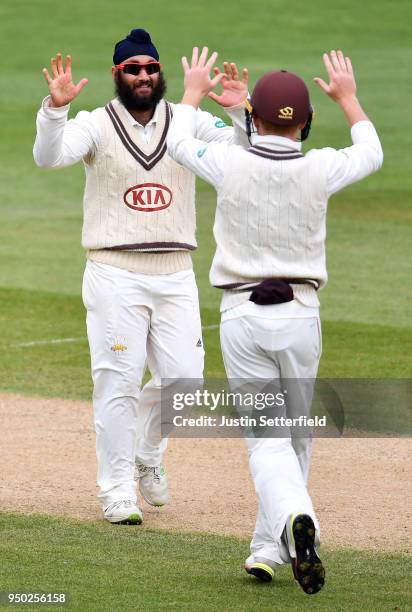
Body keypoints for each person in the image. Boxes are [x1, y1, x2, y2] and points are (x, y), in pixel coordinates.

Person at [167, 47, 383, 593]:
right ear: (307, 122)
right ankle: (270, 546)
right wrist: (349, 98)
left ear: (252, 119)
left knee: (268, 441)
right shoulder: (320, 165)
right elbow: (372, 153)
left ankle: (287, 526)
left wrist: (194, 90)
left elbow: (175, 142)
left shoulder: (229, 161)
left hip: (243, 318)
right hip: (301, 319)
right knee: (298, 436)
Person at [33, 29, 248, 525]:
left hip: (175, 271)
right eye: (134, 69)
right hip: (114, 270)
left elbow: (240, 157)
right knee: (118, 384)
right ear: (117, 74)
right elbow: (49, 157)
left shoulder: (188, 121)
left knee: (186, 383)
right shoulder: (95, 123)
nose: (145, 77)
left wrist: (239, 112)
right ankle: (115, 491)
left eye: (151, 68)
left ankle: (147, 454)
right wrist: (55, 110)